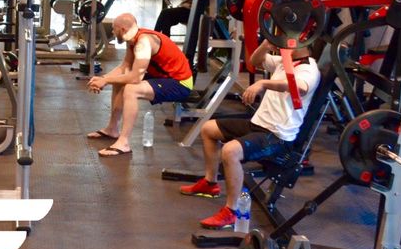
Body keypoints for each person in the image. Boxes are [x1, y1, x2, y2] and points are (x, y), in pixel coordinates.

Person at [180, 39, 320, 230]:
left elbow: (300, 87)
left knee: (230, 152)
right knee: (208, 129)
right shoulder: (284, 61)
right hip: (258, 125)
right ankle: (210, 183)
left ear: (302, 41)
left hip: (278, 136)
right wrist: (265, 45)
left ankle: (231, 211)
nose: (282, 43)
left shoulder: (309, 68)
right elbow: (254, 61)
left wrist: (263, 83)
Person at [87, 13, 194, 157]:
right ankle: (112, 129)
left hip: (180, 83)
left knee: (131, 89)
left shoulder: (143, 42)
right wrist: (103, 78)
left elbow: (135, 78)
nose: (112, 31)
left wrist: (105, 81)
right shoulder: (132, 39)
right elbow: (125, 67)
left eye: (113, 28)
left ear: (122, 29)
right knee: (120, 80)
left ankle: (124, 143)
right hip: (164, 77)